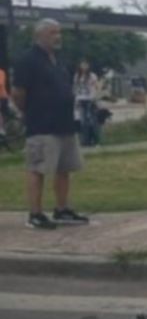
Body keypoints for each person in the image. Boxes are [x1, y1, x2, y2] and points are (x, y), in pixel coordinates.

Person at [11, 19, 90, 230]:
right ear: (40, 35)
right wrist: (28, 112)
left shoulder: (58, 60)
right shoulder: (28, 60)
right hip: (42, 124)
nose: (58, 36)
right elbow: (18, 93)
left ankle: (62, 209)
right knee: (37, 169)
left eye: (59, 32)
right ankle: (35, 214)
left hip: (64, 123)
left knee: (64, 168)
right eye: (53, 33)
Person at [73, 59, 103, 147]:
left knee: (93, 121)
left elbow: (97, 87)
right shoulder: (77, 76)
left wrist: (96, 97)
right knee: (83, 122)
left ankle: (96, 141)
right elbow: (75, 89)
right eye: (82, 64)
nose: (84, 66)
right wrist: (75, 100)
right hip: (81, 100)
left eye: (85, 64)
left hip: (90, 100)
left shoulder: (92, 76)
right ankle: (85, 141)